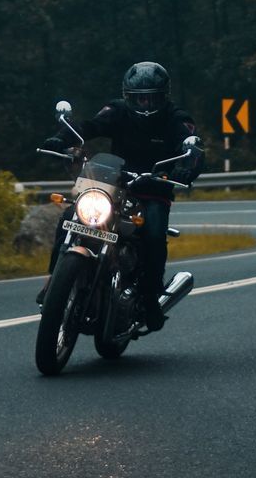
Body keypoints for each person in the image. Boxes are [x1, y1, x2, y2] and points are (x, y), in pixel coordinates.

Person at [38, 60, 204, 330]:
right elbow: (89, 127)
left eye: (152, 99)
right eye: (139, 99)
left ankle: (150, 299)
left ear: (164, 97)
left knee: (153, 234)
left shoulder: (177, 118)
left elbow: (192, 149)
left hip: (153, 190)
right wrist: (62, 138)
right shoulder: (117, 111)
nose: (146, 106)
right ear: (129, 97)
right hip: (114, 184)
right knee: (71, 214)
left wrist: (186, 169)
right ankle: (53, 280)